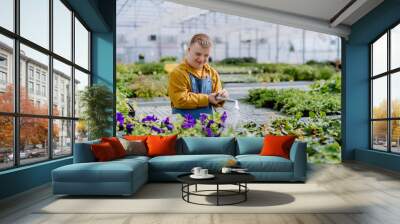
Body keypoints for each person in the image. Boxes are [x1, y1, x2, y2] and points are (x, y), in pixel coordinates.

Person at [168, 33, 229, 120]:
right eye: (198, 54)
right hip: (183, 125)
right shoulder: (178, 73)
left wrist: (221, 97)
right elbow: (180, 100)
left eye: (206, 55)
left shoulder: (212, 73)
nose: (201, 59)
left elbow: (216, 99)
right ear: (189, 50)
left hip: (208, 126)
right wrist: (207, 98)